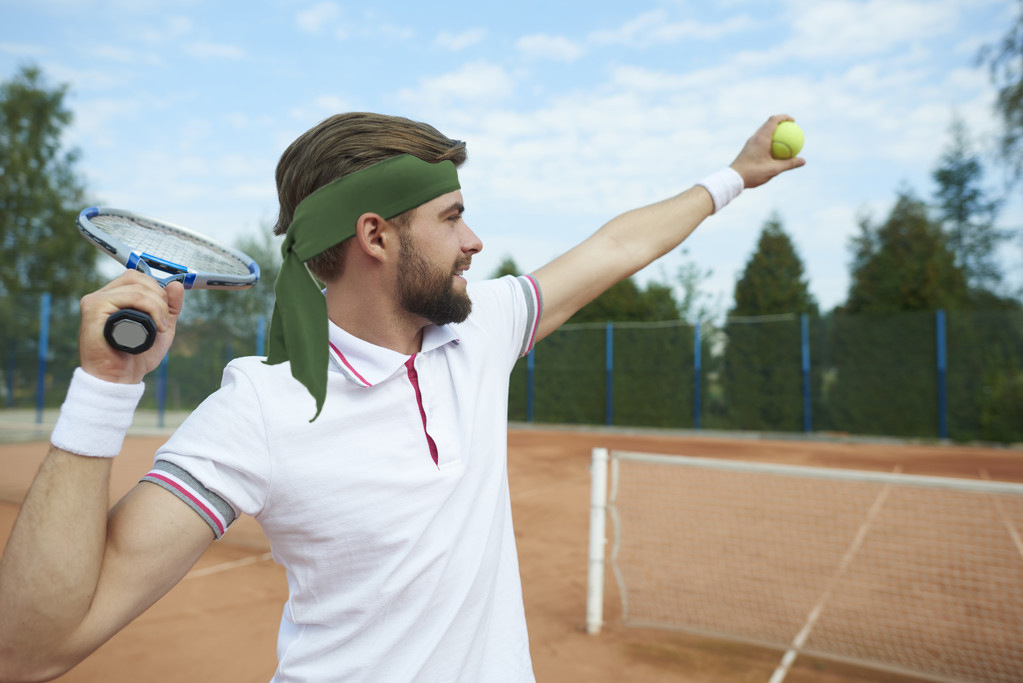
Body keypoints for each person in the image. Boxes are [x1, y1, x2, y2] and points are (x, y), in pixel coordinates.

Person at [0, 112, 804, 682]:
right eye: (453, 216)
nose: (475, 242)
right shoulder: (263, 406)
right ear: (375, 235)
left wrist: (733, 176)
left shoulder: (481, 327)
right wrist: (106, 388)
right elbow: (34, 648)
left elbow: (620, 243)